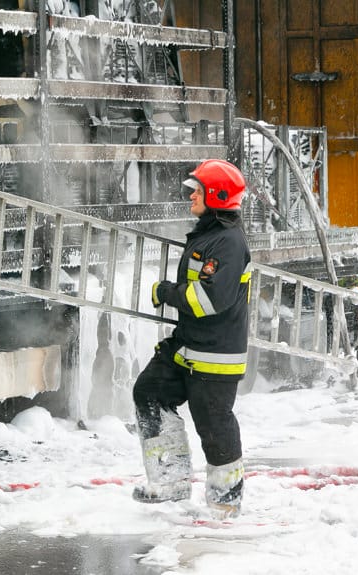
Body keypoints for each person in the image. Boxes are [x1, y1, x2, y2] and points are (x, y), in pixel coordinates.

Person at [132, 159, 251, 519]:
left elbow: (209, 300)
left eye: (197, 191)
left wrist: (167, 292)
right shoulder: (210, 234)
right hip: (188, 346)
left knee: (213, 425)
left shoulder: (228, 243)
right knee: (149, 391)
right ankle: (171, 480)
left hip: (215, 356)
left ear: (216, 195)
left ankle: (225, 502)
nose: (191, 197)